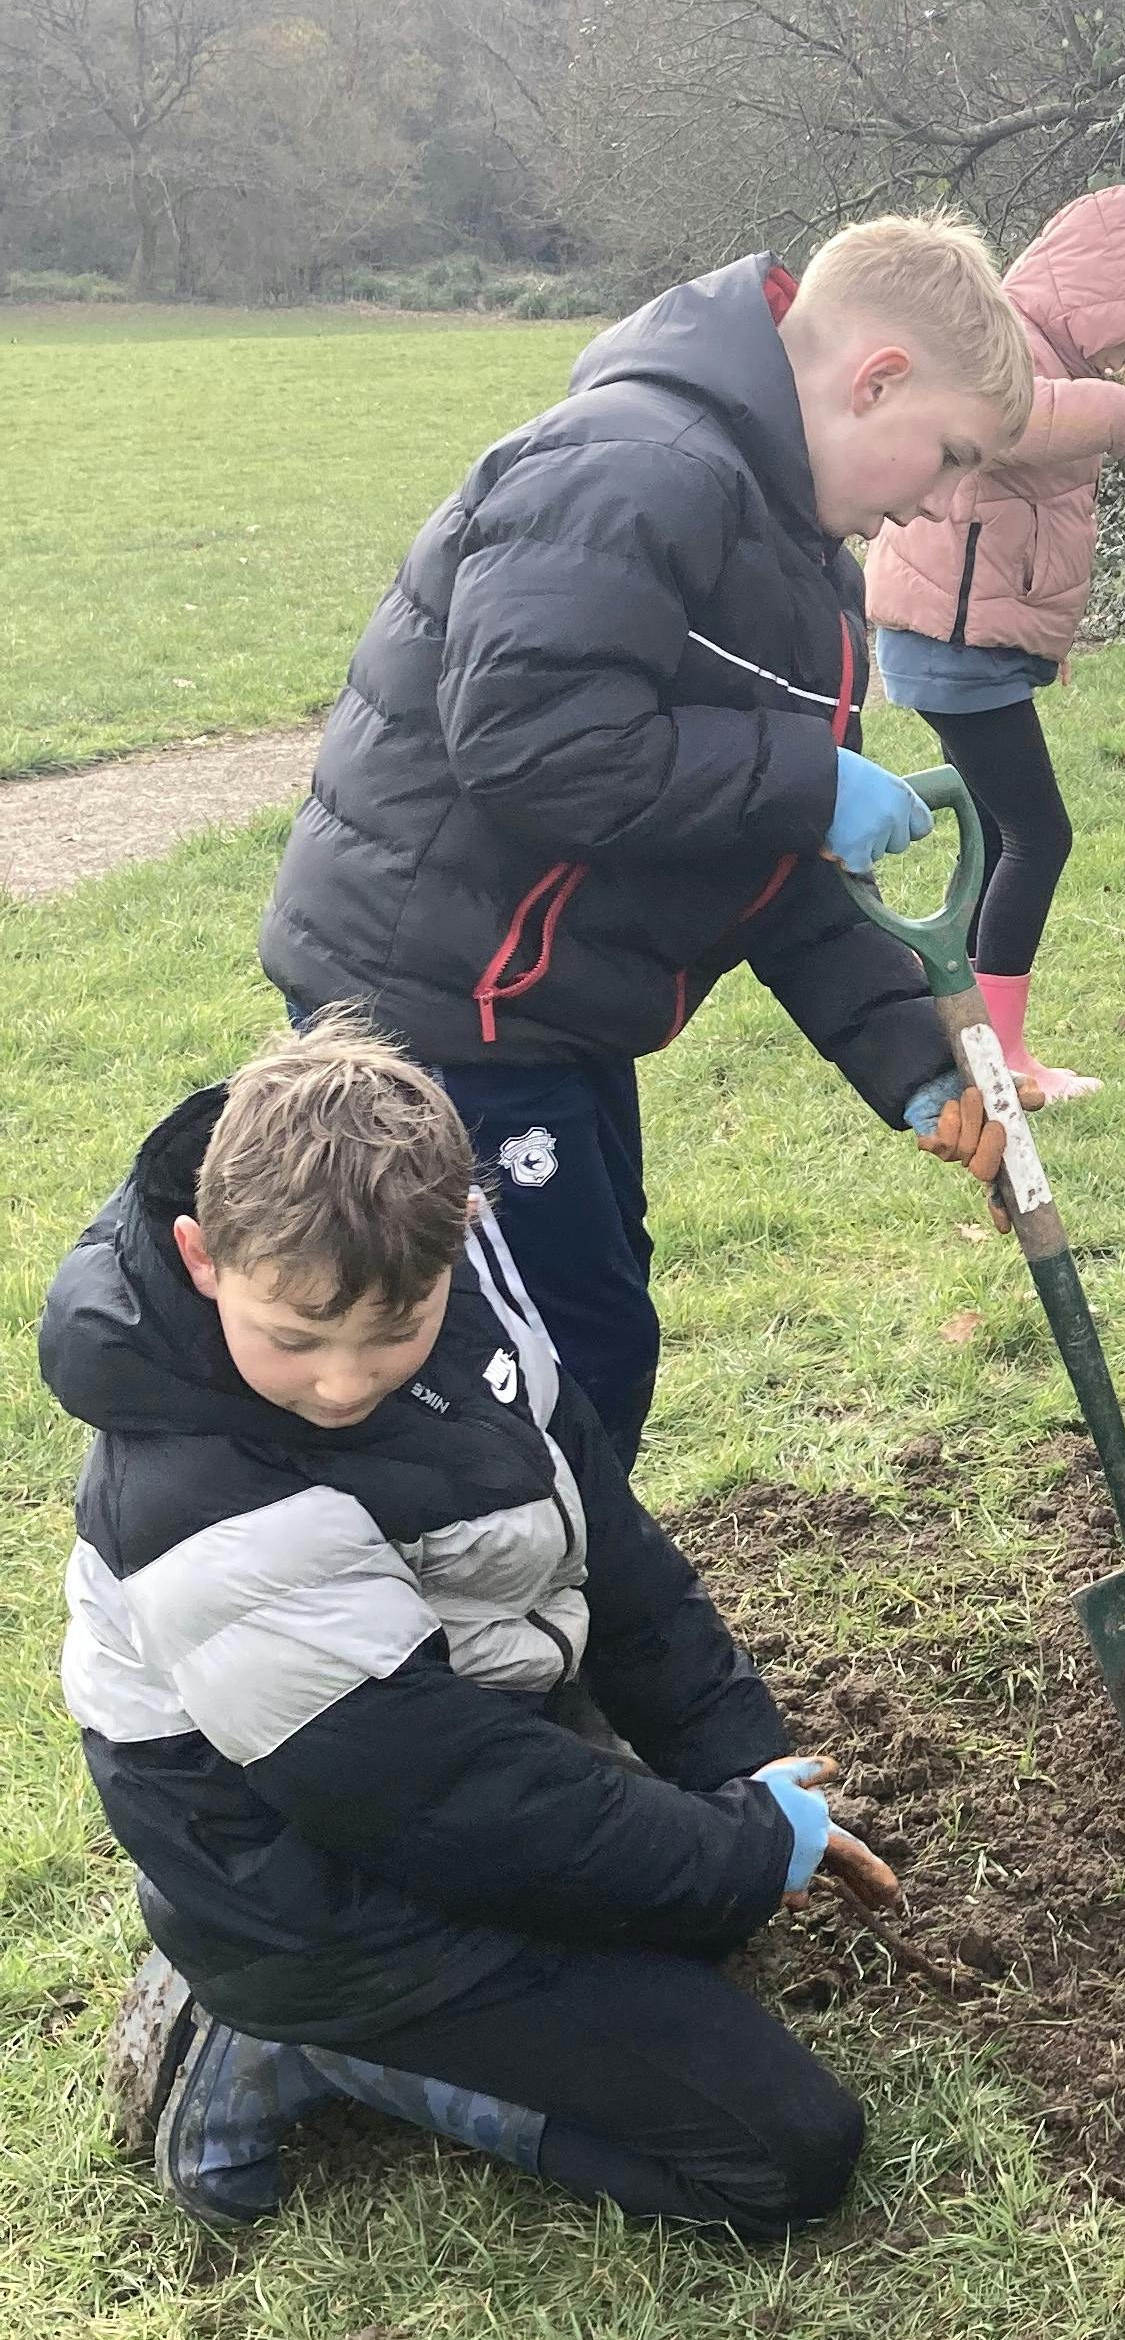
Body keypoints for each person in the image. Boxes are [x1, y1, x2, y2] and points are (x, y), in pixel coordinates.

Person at [49, 1020, 890, 2240]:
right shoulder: (192, 1501)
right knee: (785, 2156)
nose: (345, 1382)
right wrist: (742, 1848)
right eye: (295, 1338)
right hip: (316, 1884)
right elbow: (441, 1798)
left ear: (461, 1239)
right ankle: (291, 2043)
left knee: (704, 1912)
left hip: (444, 1745)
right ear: (201, 1256)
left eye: (393, 1330)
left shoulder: (468, 1294)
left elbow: (607, 1533)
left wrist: (739, 1767)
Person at [259, 214, 1035, 1466]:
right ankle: (489, 1639)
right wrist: (800, 774)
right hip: (439, 1008)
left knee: (591, 1340)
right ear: (875, 377)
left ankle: (552, 1620)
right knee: (524, 1364)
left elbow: (750, 851)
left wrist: (909, 1054)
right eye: (948, 457)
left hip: (545, 1008)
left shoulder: (786, 551)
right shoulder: (637, 467)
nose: (939, 504)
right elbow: (523, 736)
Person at [863, 185, 1125, 1104]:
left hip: (963, 642)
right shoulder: (1000, 336)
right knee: (1036, 834)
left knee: (997, 832)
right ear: (1114, 300)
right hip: (951, 644)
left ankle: (971, 1039)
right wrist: (1123, 418)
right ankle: (998, 1053)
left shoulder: (1043, 346)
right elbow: (1006, 421)